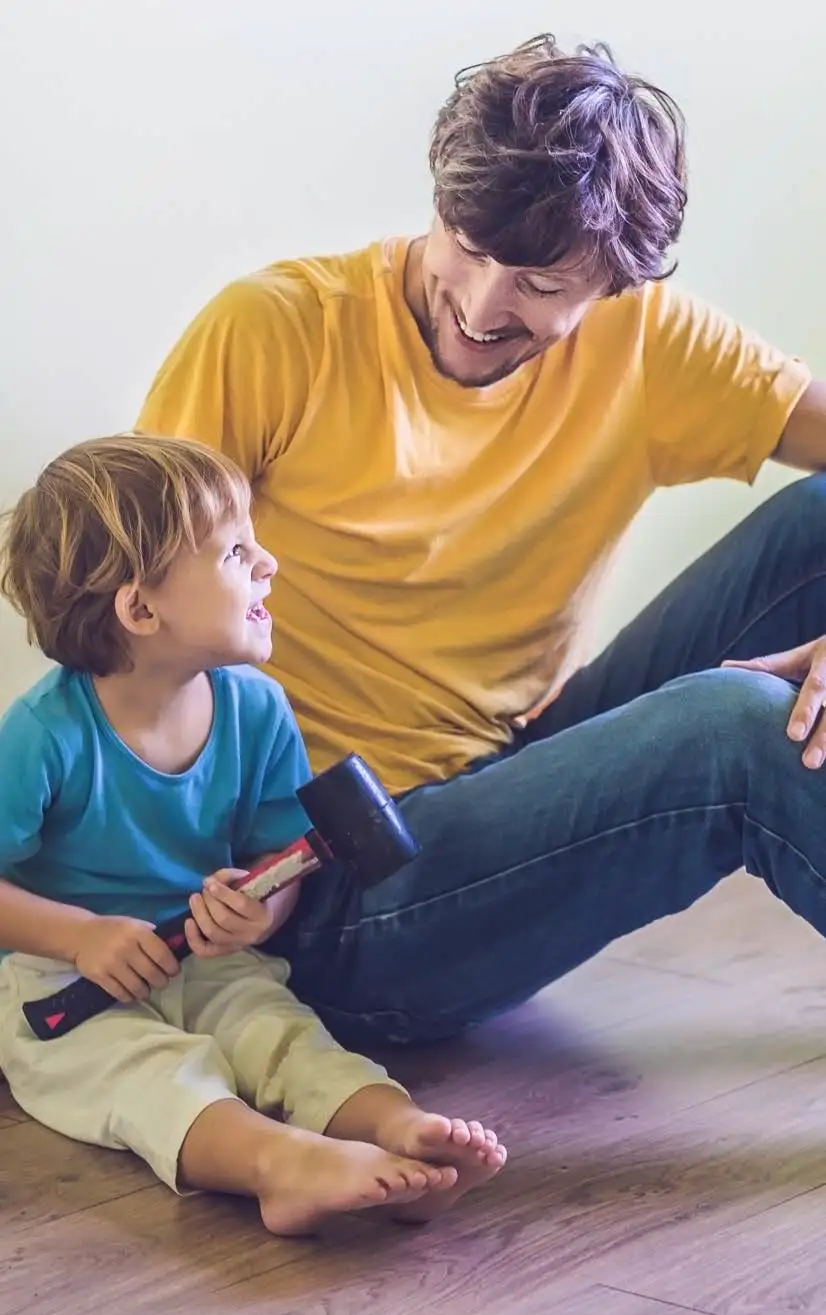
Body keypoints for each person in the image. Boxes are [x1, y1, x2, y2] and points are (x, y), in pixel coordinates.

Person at [135, 34, 826, 1054]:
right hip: (319, 888)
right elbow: (129, 635)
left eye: (540, 284)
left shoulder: (649, 342)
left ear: (615, 283)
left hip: (497, 782)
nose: (480, 303)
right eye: (465, 243)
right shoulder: (274, 331)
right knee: (736, 727)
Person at [0, 434, 505, 1235]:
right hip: (62, 977)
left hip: (204, 956)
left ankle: (397, 1127)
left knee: (281, 1035)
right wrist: (81, 936)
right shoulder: (42, 734)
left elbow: (281, 858)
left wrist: (259, 911)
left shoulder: (257, 708)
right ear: (141, 609)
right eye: (236, 551)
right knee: (149, 1073)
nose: (268, 563)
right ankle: (279, 1165)